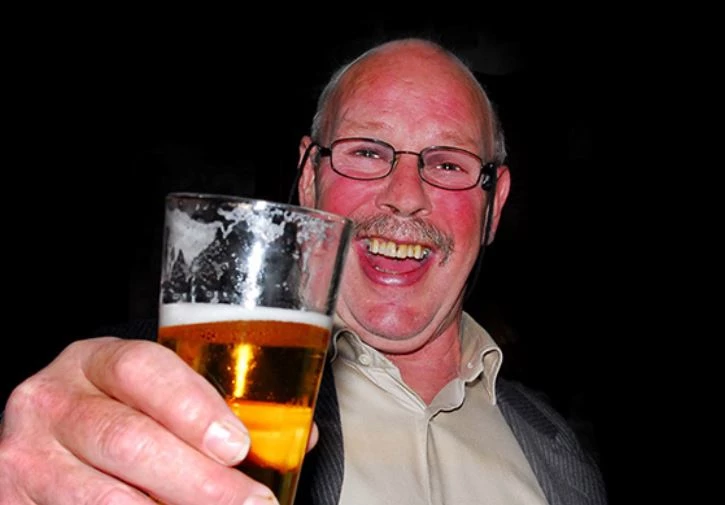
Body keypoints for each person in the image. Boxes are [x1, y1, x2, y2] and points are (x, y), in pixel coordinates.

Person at [0, 37, 607, 505]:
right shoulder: (174, 382)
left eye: (448, 164)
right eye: (366, 151)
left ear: (494, 204)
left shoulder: (563, 451)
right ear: (310, 177)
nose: (405, 196)